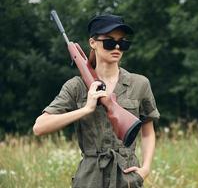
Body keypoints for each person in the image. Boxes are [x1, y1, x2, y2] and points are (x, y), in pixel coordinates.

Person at [33, 14, 160, 188]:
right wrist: (85, 109)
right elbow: (39, 127)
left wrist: (145, 169)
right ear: (93, 43)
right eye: (109, 42)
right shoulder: (76, 86)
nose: (116, 47)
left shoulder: (139, 84)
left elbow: (148, 131)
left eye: (122, 43)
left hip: (127, 176)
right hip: (89, 178)